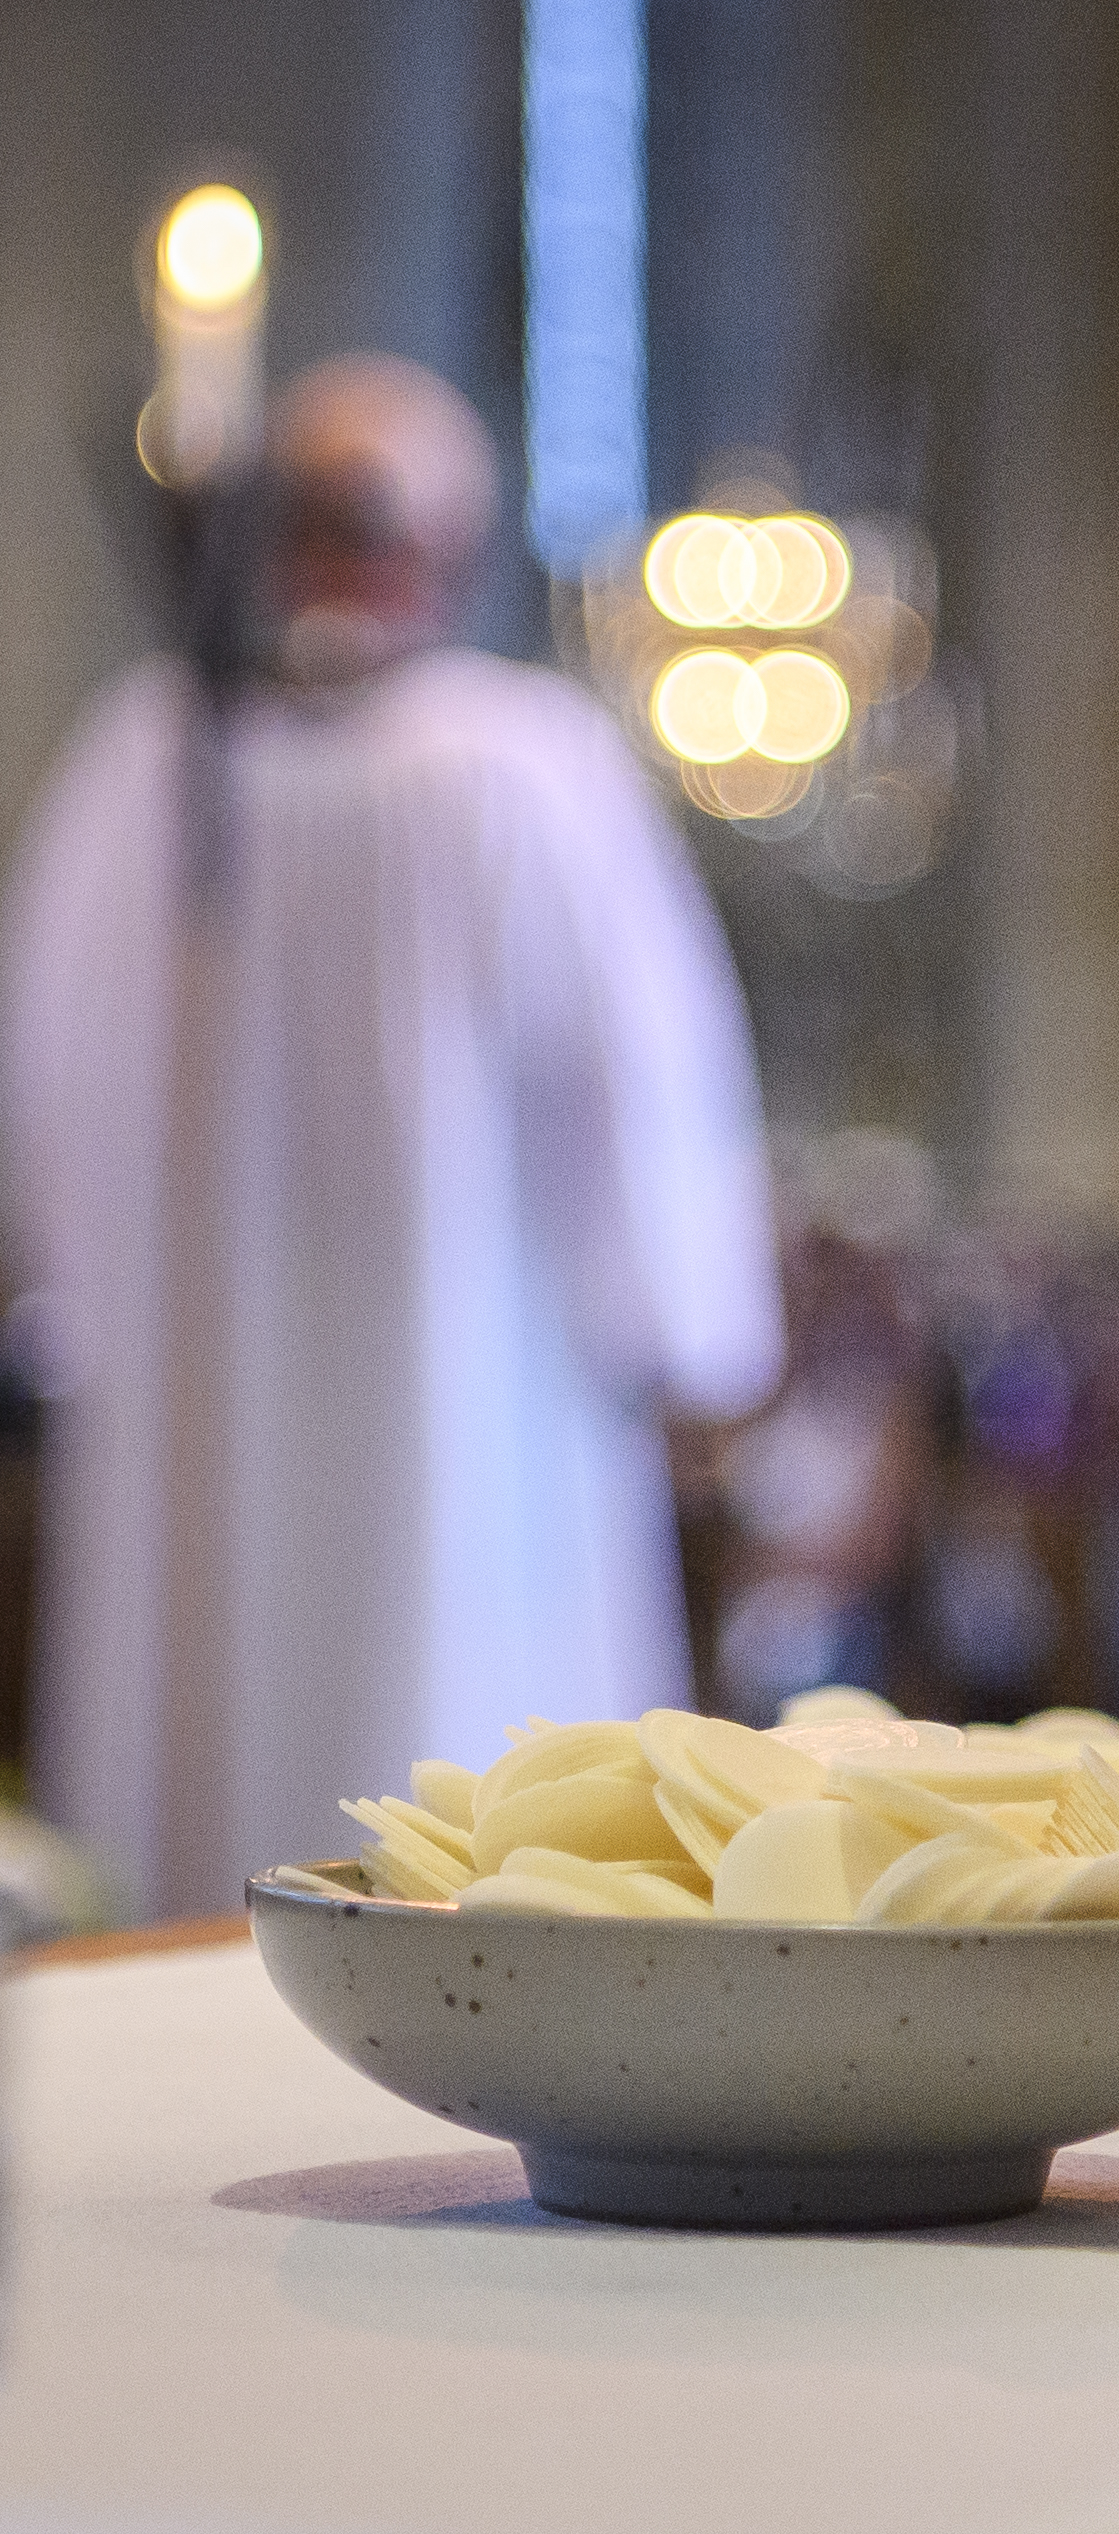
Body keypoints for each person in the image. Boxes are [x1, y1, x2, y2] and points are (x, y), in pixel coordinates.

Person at [0, 354, 782, 1918]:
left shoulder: (184, 755)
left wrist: (84, 1300)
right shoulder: (199, 759)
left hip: (332, 1406)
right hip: (381, 1411)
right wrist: (689, 1341)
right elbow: (639, 1094)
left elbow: (40, 1101)